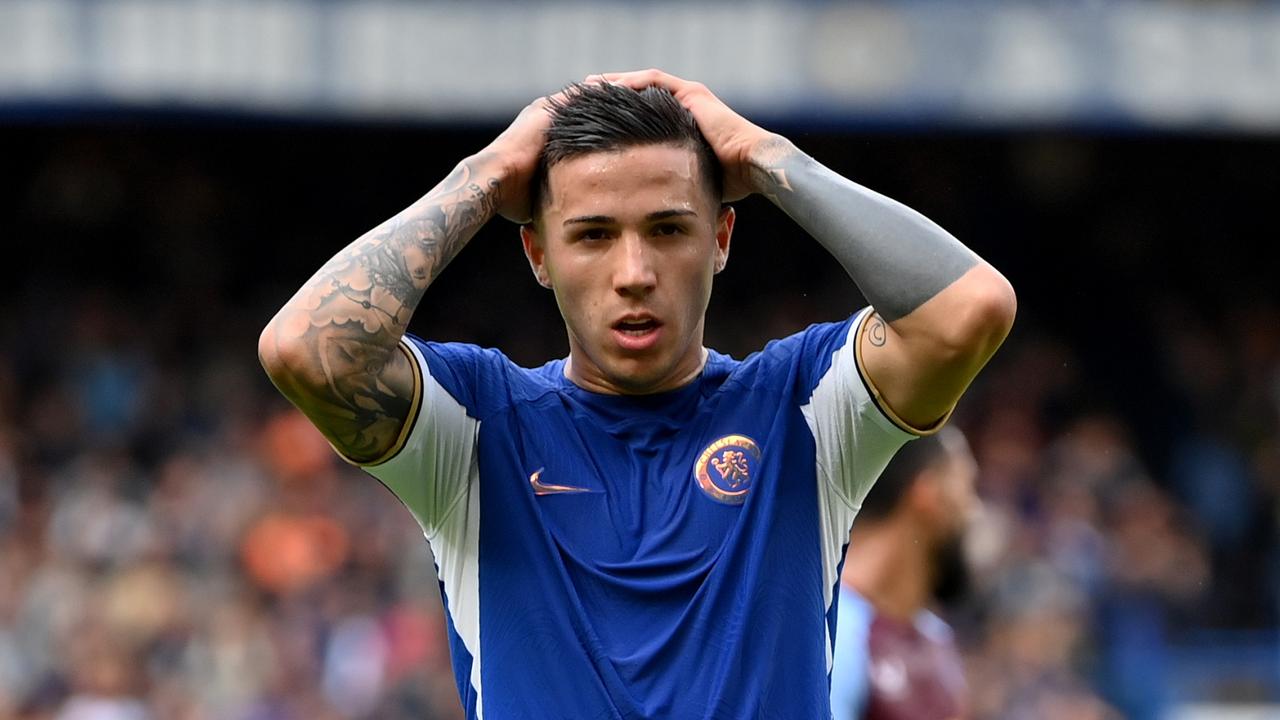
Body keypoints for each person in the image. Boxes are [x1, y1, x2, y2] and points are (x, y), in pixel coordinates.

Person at [257, 69, 1015, 719]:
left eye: (667, 229)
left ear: (721, 239)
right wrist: (484, 177)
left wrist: (767, 155)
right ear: (538, 252)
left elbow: (967, 312)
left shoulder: (803, 409)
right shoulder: (477, 426)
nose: (633, 272)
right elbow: (308, 353)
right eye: (591, 235)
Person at [829, 427, 979, 720]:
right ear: (928, 494)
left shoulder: (938, 639)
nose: (975, 510)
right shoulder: (831, 630)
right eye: (969, 488)